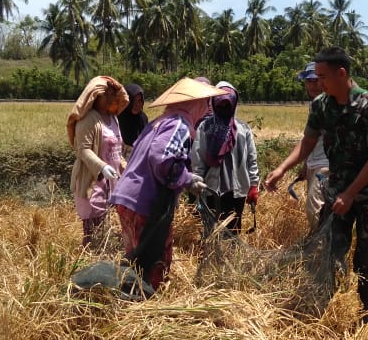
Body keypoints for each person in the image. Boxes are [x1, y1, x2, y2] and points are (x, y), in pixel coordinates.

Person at [263, 47, 368, 325]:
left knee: (367, 256)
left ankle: (365, 315)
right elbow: (308, 142)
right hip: (338, 185)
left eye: (322, 76)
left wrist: (350, 194)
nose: (318, 82)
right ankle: (321, 309)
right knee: (329, 248)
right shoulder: (321, 105)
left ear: (341, 73)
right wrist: (282, 169)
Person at [109, 78, 226, 291]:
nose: (208, 108)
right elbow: (161, 156)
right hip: (145, 204)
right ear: (194, 103)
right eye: (205, 102)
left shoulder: (159, 121)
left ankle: (131, 301)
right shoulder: (179, 125)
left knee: (136, 260)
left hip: (127, 199)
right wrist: (187, 179)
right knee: (155, 262)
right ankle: (149, 306)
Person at [68, 76, 129, 249]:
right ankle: (88, 259)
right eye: (107, 94)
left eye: (113, 94)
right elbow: (83, 150)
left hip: (112, 179)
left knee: (106, 224)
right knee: (92, 227)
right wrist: (102, 166)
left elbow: (118, 149)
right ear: (95, 96)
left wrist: (124, 166)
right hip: (93, 179)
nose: (112, 98)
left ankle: (104, 255)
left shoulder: (113, 119)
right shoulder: (88, 120)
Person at [192, 81, 259, 235]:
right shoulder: (205, 128)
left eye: (227, 105)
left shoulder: (243, 129)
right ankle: (212, 258)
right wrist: (197, 183)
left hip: (237, 189)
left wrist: (254, 185)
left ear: (234, 105)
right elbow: (198, 158)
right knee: (211, 231)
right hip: (211, 189)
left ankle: (231, 258)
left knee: (233, 230)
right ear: (214, 105)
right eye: (220, 105)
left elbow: (251, 159)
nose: (223, 109)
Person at [291, 62, 329, 234]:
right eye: (308, 81)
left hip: (326, 164)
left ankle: (319, 244)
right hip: (314, 162)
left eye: (315, 80)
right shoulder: (314, 105)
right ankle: (320, 242)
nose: (311, 85)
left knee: (314, 208)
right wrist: (306, 165)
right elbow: (311, 139)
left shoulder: (330, 104)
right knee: (320, 209)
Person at [118, 83, 148, 148]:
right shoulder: (118, 118)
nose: (137, 105)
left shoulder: (143, 117)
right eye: (133, 101)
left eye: (139, 101)